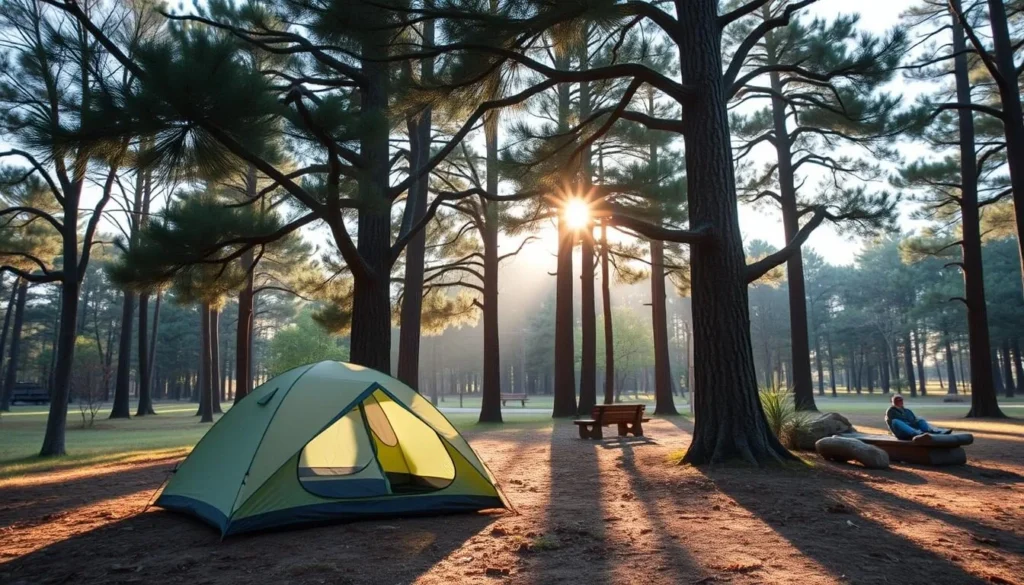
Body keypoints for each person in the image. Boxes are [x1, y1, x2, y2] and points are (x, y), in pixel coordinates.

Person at [885, 395, 951, 440]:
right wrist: (910, 423)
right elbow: (901, 422)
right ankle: (917, 433)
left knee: (920, 419)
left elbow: (913, 420)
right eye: (898, 400)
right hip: (902, 432)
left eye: (901, 400)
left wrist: (917, 421)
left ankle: (932, 432)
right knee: (895, 421)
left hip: (911, 428)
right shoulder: (891, 411)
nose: (900, 402)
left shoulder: (907, 411)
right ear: (893, 402)